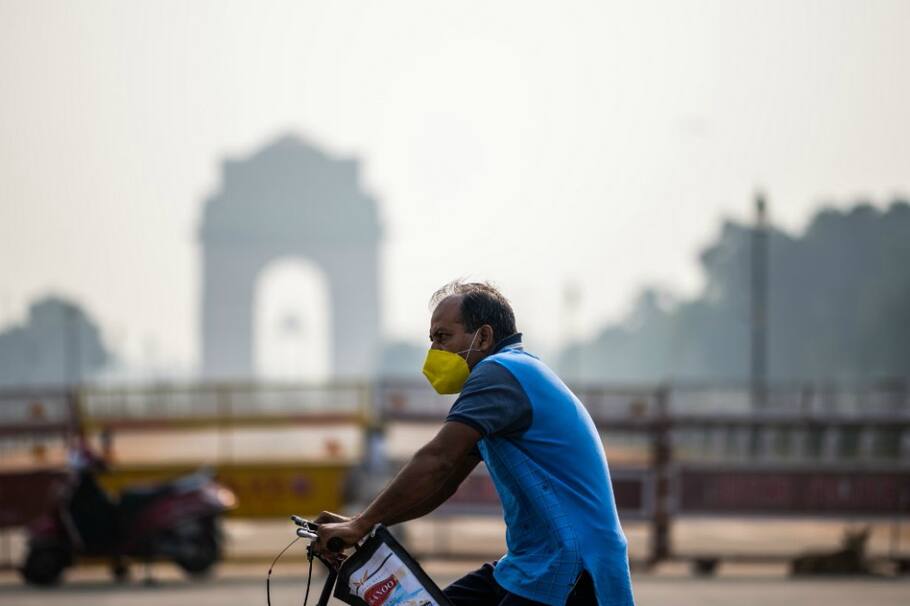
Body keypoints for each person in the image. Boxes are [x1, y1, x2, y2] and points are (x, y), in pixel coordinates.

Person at [317, 281, 635, 606]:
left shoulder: (498, 373)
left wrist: (363, 522)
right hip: (532, 561)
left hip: (572, 562)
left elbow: (438, 458)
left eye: (443, 338)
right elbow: (442, 483)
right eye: (431, 341)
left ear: (483, 337)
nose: (434, 353)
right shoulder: (515, 374)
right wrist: (363, 524)